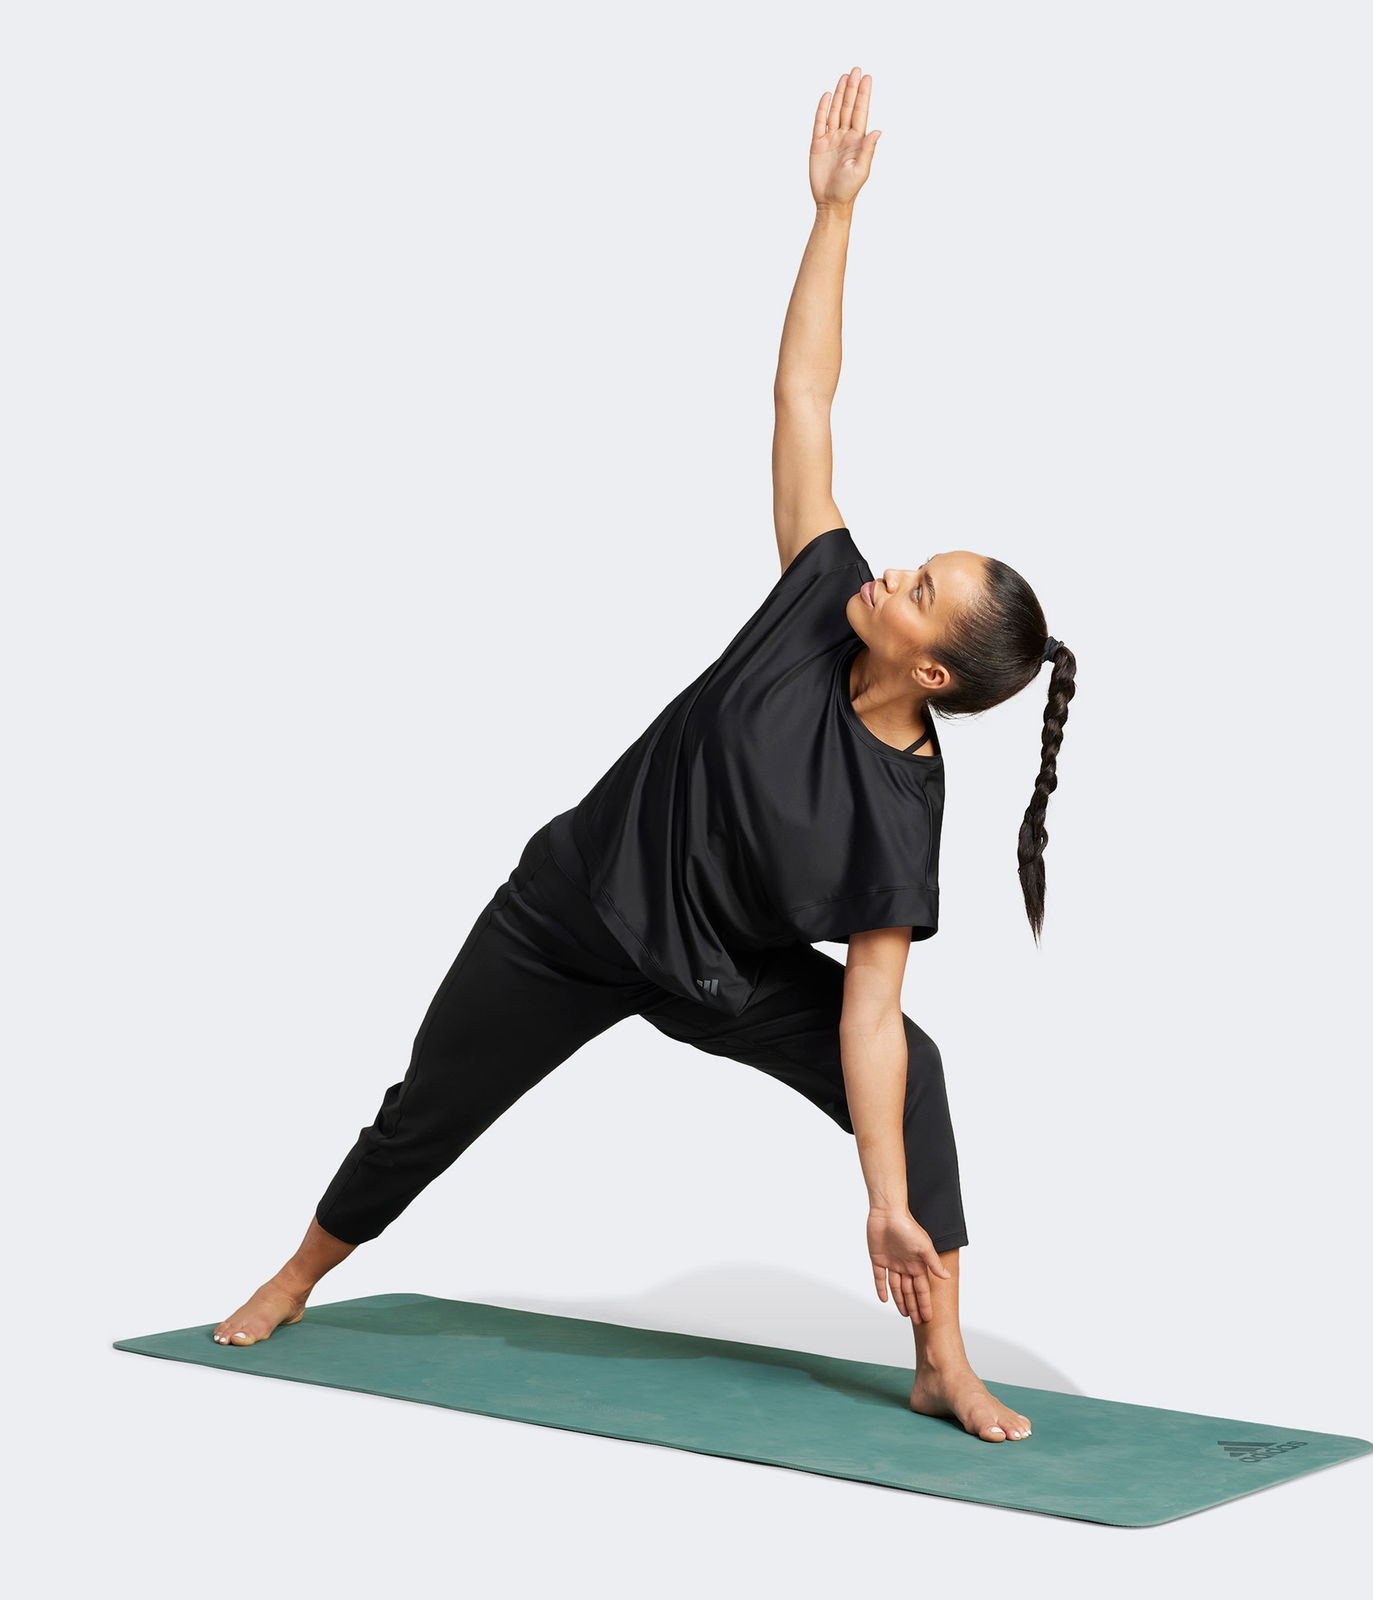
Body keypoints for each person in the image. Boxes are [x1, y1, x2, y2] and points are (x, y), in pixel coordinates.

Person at [213, 66, 1076, 1446]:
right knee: (430, 1103)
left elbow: (864, 1017)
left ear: (932, 671)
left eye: (920, 589)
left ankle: (941, 1357)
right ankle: (297, 1274)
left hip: (717, 977)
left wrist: (882, 1198)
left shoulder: (899, 815)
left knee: (915, 1068)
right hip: (571, 909)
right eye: (917, 562)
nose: (893, 569)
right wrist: (835, 216)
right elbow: (804, 395)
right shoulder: (819, 596)